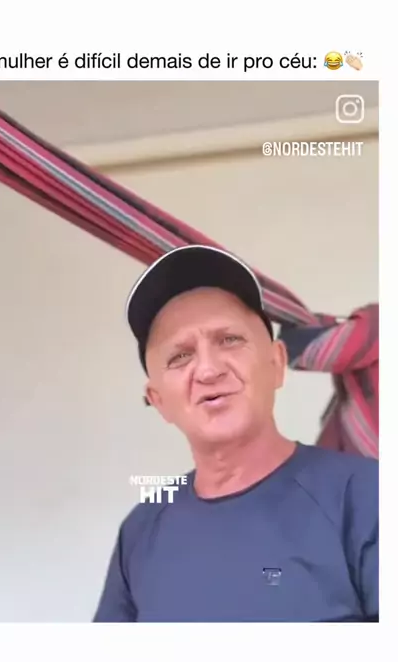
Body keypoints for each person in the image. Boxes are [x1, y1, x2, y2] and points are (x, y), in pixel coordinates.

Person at [93, 245, 378, 622]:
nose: (208, 370)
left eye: (229, 340)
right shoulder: (140, 531)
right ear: (158, 401)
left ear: (276, 363)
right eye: (180, 356)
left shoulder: (368, 495)